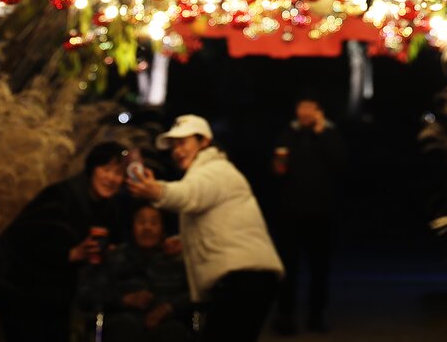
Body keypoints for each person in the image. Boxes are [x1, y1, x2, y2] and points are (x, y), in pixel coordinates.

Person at [127, 114, 283, 342]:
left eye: (183, 143)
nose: (176, 151)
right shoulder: (212, 172)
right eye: (173, 146)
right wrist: (183, 240)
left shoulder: (214, 170)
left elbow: (188, 195)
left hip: (243, 278)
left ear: (204, 141)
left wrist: (156, 191)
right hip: (248, 278)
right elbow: (215, 222)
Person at [0, 141, 129, 342]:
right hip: (14, 275)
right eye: (106, 170)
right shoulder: (61, 196)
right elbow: (27, 239)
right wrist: (69, 254)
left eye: (119, 174)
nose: (112, 178)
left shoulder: (107, 206)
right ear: (92, 169)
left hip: (54, 281)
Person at [271, 97, 345, 334]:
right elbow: (276, 170)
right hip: (290, 213)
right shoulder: (288, 135)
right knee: (287, 268)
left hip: (321, 214)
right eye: (301, 106)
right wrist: (278, 166)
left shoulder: (331, 135)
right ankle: (285, 316)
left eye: (310, 107)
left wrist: (322, 133)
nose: (304, 112)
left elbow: (341, 163)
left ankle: (316, 315)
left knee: (319, 268)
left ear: (319, 111)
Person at [79, 204, 194, 342]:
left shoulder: (174, 260)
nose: (147, 228)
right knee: (125, 326)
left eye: (154, 223)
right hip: (123, 324)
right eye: (141, 222)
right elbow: (87, 294)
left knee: (174, 331)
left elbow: (194, 295)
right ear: (132, 228)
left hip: (165, 323)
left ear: (162, 229)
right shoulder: (114, 257)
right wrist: (124, 299)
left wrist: (168, 307)